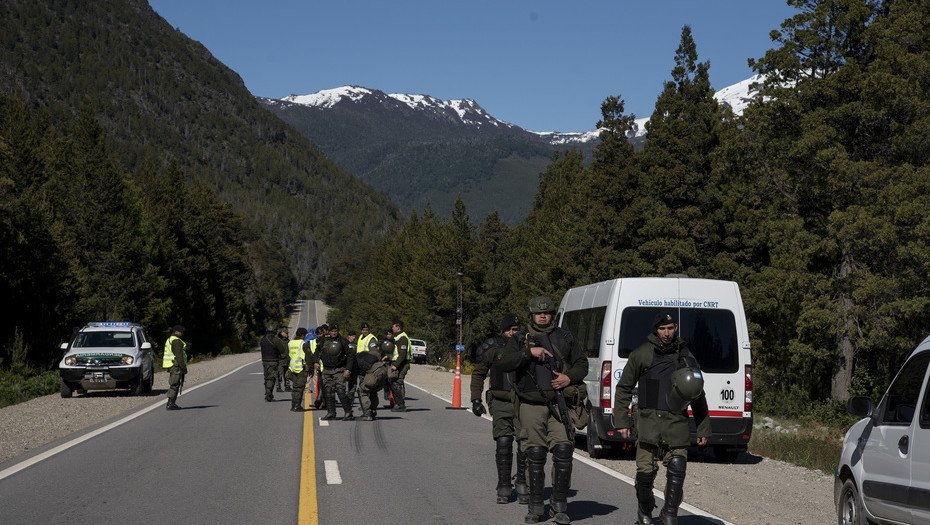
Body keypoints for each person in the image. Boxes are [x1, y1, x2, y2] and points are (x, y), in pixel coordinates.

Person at [613, 312, 711, 525]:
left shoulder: (686, 356)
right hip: (649, 423)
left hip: (676, 423)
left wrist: (703, 428)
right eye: (662, 329)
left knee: (678, 466)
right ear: (655, 330)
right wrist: (621, 421)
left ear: (676, 328)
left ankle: (669, 514)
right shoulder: (642, 354)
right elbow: (624, 388)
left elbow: (697, 393)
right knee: (646, 474)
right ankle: (645, 509)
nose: (667, 333)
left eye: (670, 328)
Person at [497, 297, 587, 525]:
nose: (543, 316)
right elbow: (504, 364)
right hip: (531, 404)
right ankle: (536, 508)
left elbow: (582, 364)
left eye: (547, 313)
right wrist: (529, 352)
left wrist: (569, 377)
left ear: (552, 315)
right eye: (539, 313)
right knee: (535, 454)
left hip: (559, 403)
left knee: (564, 451)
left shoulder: (565, 337)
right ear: (532, 316)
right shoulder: (519, 339)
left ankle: (560, 507)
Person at [470, 312, 528, 505]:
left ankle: (522, 482)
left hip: (524, 401)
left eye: (517, 330)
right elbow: (479, 373)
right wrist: (476, 399)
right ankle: (504, 485)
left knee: (524, 443)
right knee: (503, 441)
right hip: (501, 400)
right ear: (504, 330)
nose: (515, 333)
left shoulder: (526, 346)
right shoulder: (494, 349)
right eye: (512, 330)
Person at [314, 323, 355, 420]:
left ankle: (348, 413)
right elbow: (317, 351)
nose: (334, 333)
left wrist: (348, 369)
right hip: (327, 370)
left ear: (338, 331)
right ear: (329, 331)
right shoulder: (324, 340)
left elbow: (350, 355)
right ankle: (331, 412)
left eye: (335, 331)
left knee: (341, 391)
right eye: (332, 331)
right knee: (328, 392)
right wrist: (316, 362)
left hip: (339, 370)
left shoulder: (343, 341)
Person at [355, 337, 390, 421]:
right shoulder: (375, 353)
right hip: (384, 371)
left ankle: (367, 413)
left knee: (362, 391)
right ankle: (373, 411)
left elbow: (360, 374)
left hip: (375, 373)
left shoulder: (357, 359)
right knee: (373, 391)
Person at [163, 324, 188, 411]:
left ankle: (172, 403)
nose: (182, 333)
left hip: (172, 365)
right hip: (175, 366)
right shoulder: (176, 341)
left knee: (175, 384)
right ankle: (170, 404)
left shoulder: (170, 339)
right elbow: (179, 356)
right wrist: (183, 367)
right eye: (181, 332)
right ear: (176, 331)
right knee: (174, 384)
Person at [389, 320, 412, 412]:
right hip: (398, 363)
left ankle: (401, 405)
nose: (392, 328)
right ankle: (398, 404)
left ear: (398, 327)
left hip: (402, 364)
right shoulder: (398, 337)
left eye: (393, 326)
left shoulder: (402, 338)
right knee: (393, 383)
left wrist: (395, 365)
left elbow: (402, 354)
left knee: (397, 384)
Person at [260, 326, 286, 402]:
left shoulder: (263, 339)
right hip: (273, 361)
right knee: (272, 378)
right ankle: (268, 395)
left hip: (265, 361)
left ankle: (268, 394)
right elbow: (282, 350)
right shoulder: (276, 340)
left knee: (266, 377)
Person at [287, 328, 311, 412]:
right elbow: (308, 357)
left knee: (295, 387)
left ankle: (293, 405)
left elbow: (288, 356)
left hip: (292, 368)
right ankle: (297, 406)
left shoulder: (290, 343)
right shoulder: (303, 343)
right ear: (302, 335)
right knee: (299, 388)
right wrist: (310, 368)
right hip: (301, 369)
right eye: (305, 335)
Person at [276, 327, 291, 392]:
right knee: (279, 374)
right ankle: (278, 387)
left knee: (287, 375)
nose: (287, 334)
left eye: (287, 333)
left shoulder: (288, 341)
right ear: (281, 333)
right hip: (280, 360)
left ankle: (287, 386)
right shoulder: (278, 341)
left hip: (287, 360)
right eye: (286, 333)